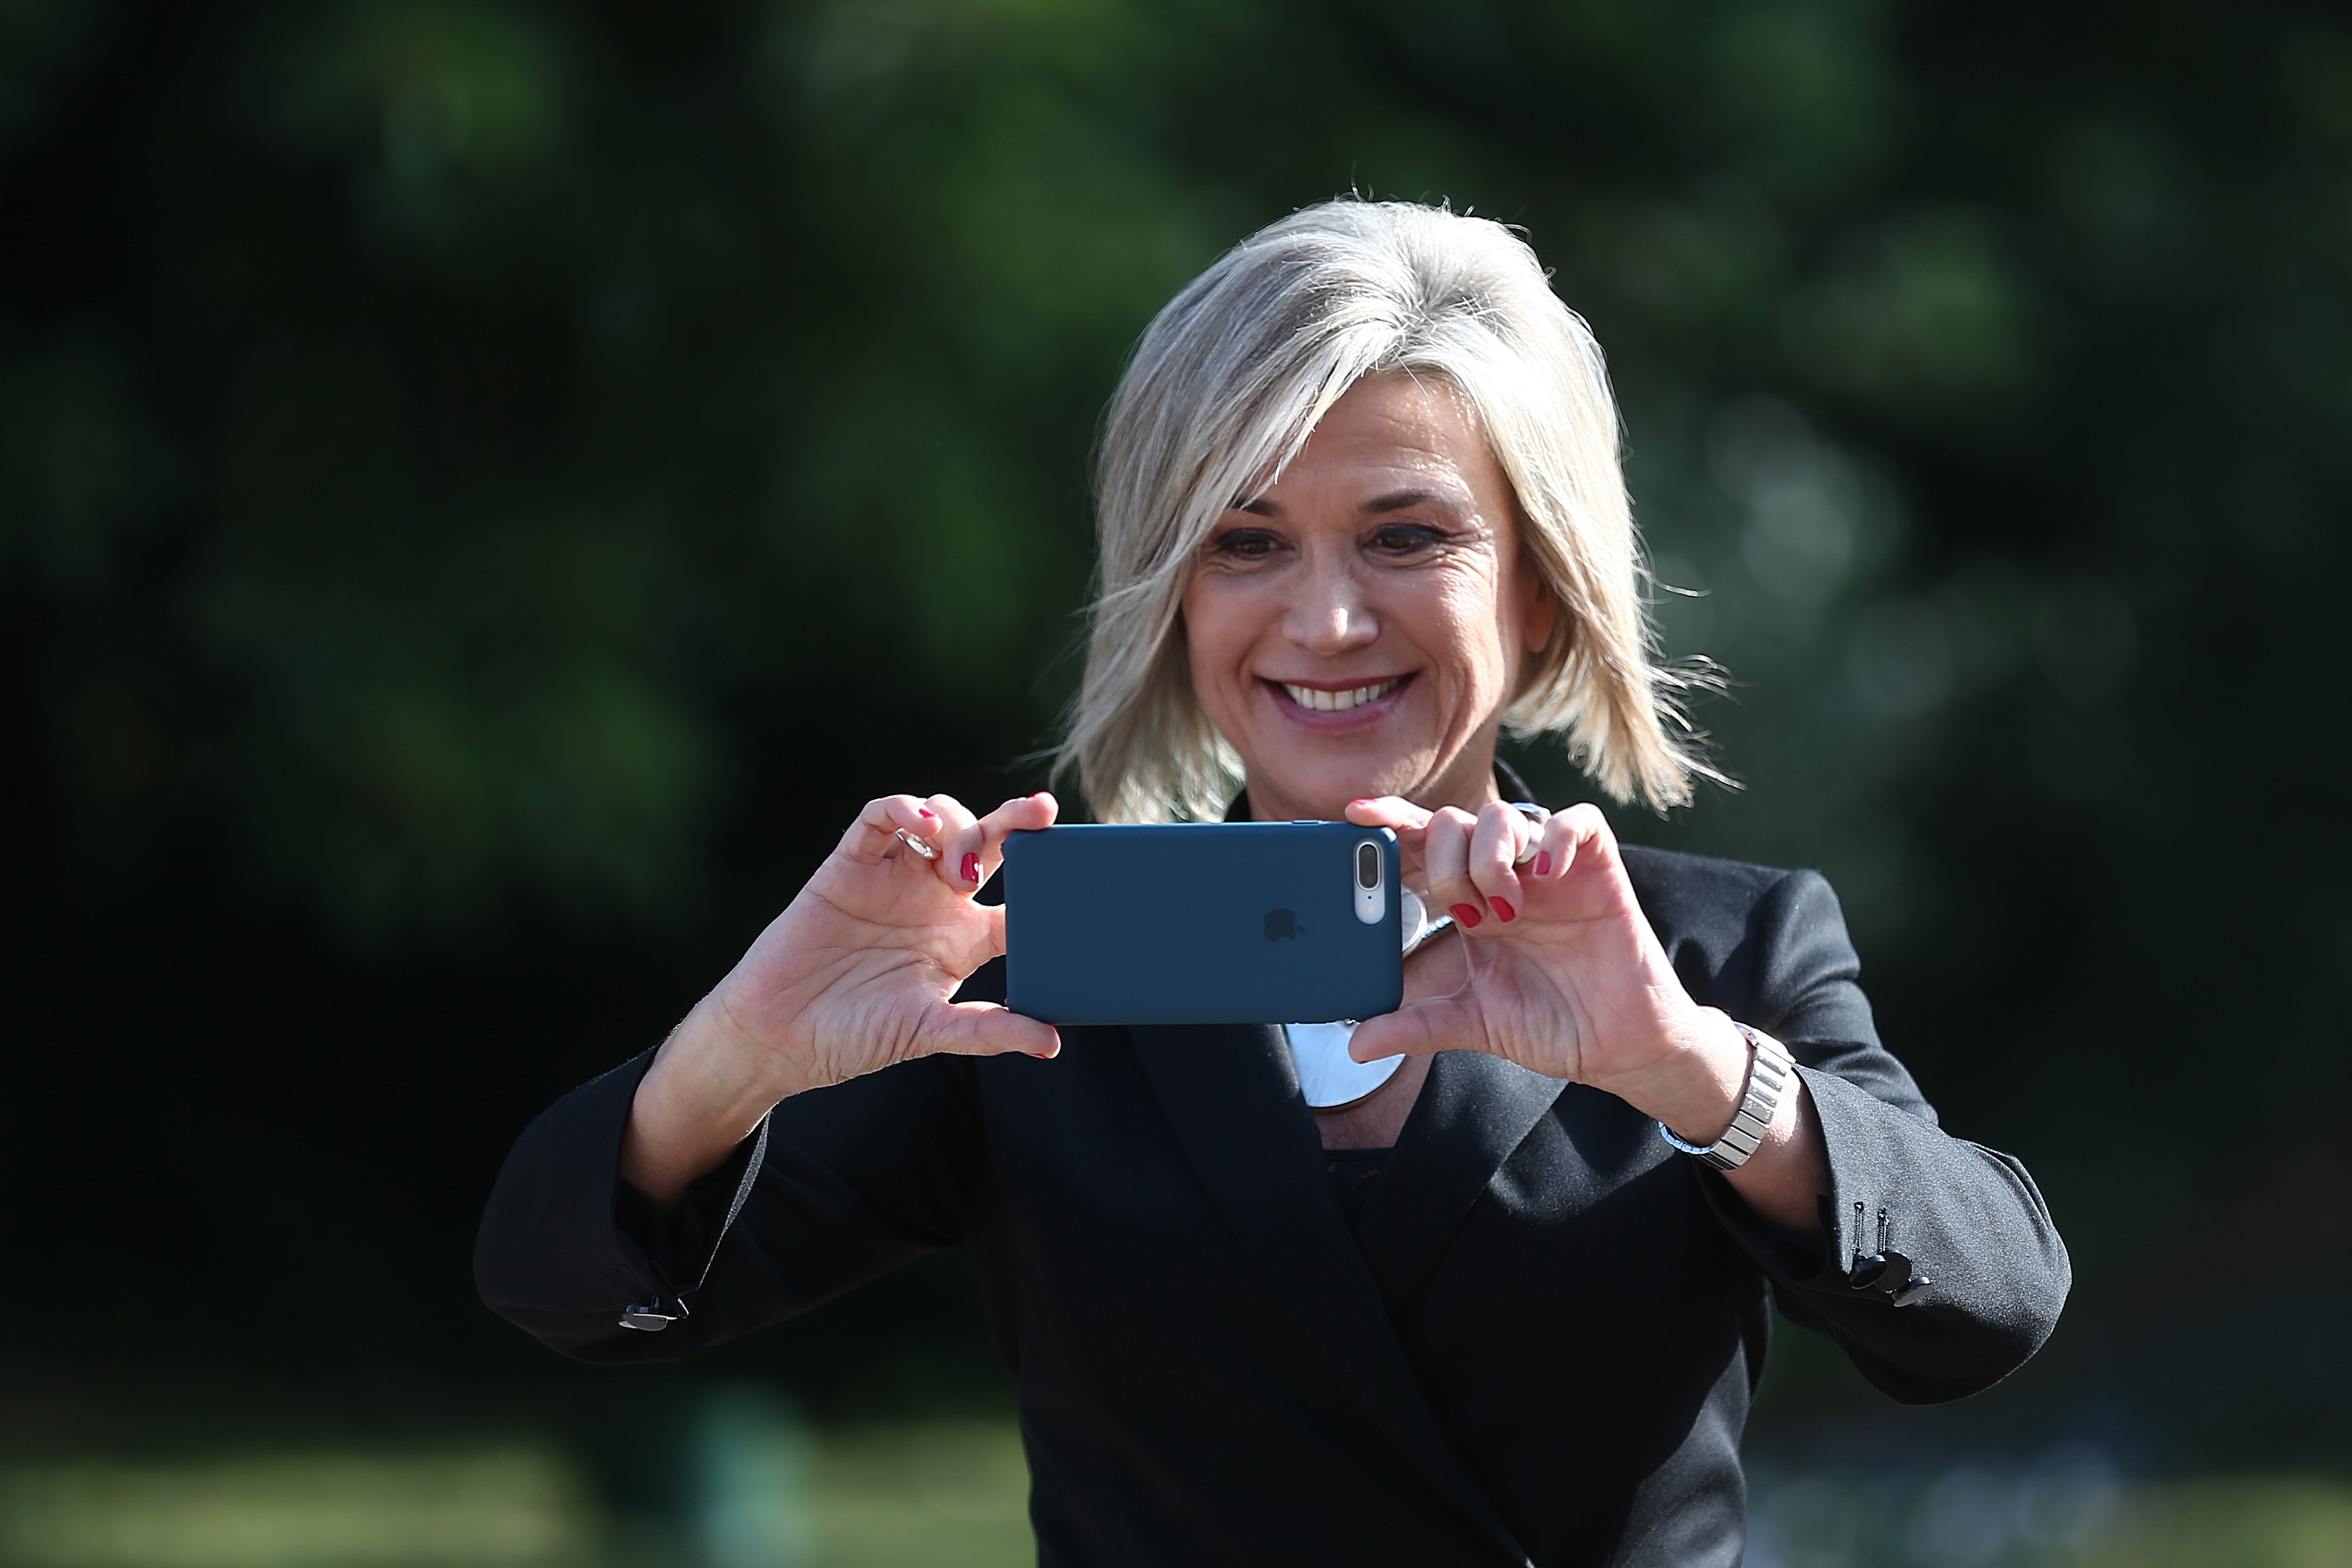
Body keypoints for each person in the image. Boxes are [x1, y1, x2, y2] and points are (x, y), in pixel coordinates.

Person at [476, 199, 2069, 1567]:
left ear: (1539, 583)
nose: (1324, 621)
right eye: (1244, 543)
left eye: (1404, 536)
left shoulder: (1716, 950)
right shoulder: (1039, 957)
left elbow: (1986, 1306)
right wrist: (740, 1053)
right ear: (1168, 596)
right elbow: (568, 1293)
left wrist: (1692, 1072)